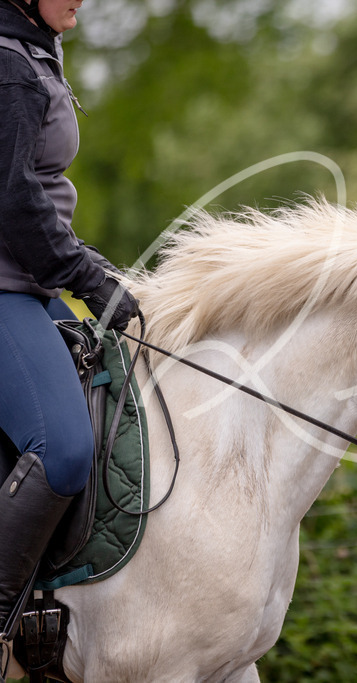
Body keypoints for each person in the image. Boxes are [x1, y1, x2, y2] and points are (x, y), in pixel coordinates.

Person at [0, 0, 139, 651]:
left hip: (28, 280)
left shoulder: (30, 47)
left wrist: (95, 272)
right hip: (5, 284)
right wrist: (89, 280)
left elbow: (40, 196)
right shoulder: (7, 61)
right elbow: (15, 199)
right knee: (64, 448)